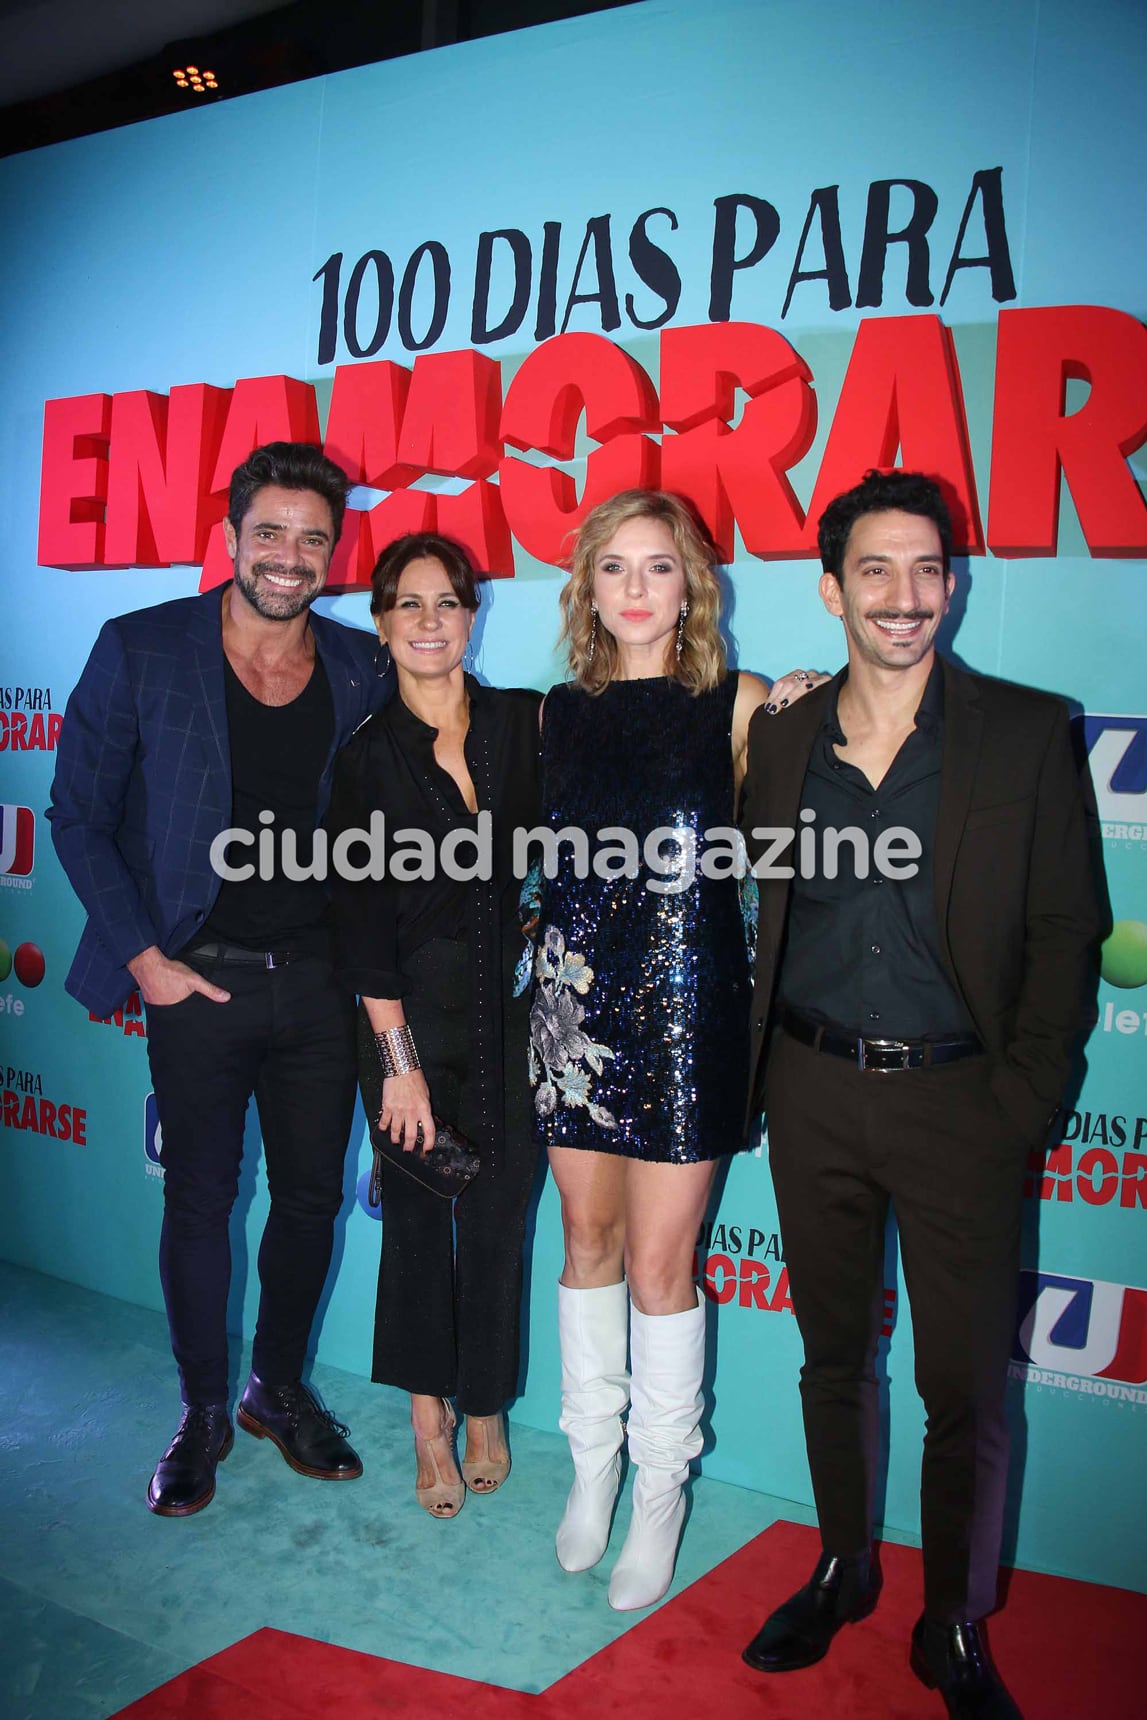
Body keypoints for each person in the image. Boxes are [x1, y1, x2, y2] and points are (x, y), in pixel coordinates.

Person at [739, 470, 1100, 1717]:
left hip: (964, 1108)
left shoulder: (1025, 728)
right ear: (830, 586)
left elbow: (1067, 931)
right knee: (832, 1354)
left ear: (953, 581)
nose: (904, 597)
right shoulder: (781, 735)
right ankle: (841, 1563)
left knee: (962, 1386)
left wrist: (1022, 1106)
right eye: (875, 571)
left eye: (927, 568)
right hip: (810, 1088)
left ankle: (952, 1620)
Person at [48, 441, 392, 1516]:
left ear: (335, 552)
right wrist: (146, 958)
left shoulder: (359, 665)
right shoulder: (142, 648)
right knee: (199, 1200)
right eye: (270, 533)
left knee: (309, 1198)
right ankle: (201, 1407)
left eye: (312, 539)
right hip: (196, 980)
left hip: (322, 985)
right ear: (231, 537)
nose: (290, 557)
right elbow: (78, 816)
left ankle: (274, 1389)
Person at [530, 487, 821, 1610]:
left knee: (662, 1265)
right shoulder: (554, 714)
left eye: (660, 567)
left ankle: (659, 1493)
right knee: (584, 1242)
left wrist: (797, 700)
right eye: (615, 568)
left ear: (691, 584)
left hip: (692, 1014)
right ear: (588, 587)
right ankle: (590, 1471)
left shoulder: (738, 703)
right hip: (572, 1013)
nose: (637, 588)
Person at [328, 533, 541, 1518]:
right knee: (419, 1226)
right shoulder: (367, 759)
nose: (427, 620)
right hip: (405, 1032)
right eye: (406, 604)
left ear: (471, 613)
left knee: (499, 1220)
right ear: (381, 623)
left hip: (514, 1027)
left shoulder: (517, 726)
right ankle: (429, 1420)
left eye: (445, 602)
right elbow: (363, 937)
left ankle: (486, 1403)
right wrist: (398, 1069)